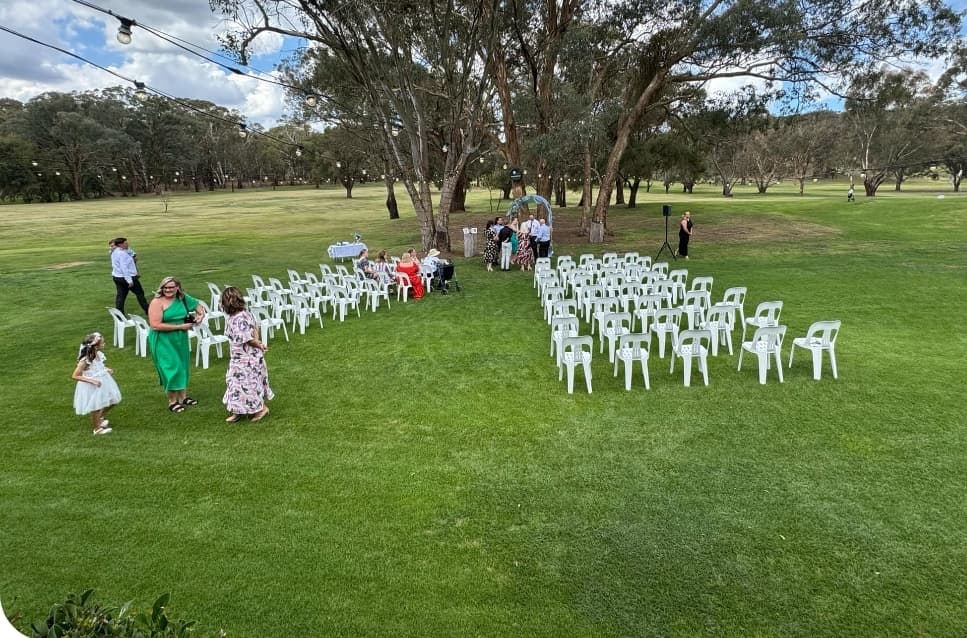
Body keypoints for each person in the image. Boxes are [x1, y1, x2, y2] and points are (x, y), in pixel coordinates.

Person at [147, 276, 206, 413]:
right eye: (165, 288)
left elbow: (198, 306)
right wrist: (180, 326)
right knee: (171, 368)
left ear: (177, 287)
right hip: (163, 339)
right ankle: (172, 401)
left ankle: (183, 397)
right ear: (162, 288)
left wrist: (200, 316)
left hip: (180, 338)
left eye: (171, 287)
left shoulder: (183, 298)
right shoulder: (156, 302)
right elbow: (155, 325)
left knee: (182, 365)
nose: (168, 290)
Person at [220, 286, 273, 423]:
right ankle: (237, 411)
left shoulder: (241, 317)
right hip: (238, 357)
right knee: (234, 383)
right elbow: (255, 328)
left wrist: (258, 344)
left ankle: (261, 409)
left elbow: (248, 338)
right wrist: (258, 342)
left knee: (249, 384)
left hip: (247, 358)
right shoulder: (238, 315)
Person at [72, 332, 121, 435]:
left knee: (114, 400)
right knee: (96, 406)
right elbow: (75, 375)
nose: (104, 344)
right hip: (92, 385)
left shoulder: (97, 354)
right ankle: (97, 429)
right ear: (95, 346)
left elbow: (97, 367)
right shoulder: (85, 360)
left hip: (103, 381)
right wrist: (92, 381)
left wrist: (106, 369)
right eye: (102, 343)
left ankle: (100, 418)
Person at [110, 237, 150, 314]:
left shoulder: (114, 252)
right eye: (125, 243)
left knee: (121, 296)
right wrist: (129, 281)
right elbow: (124, 268)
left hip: (117, 277)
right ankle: (148, 311)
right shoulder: (122, 254)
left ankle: (119, 315)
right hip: (127, 277)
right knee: (140, 294)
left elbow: (131, 253)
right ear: (120, 244)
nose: (127, 244)